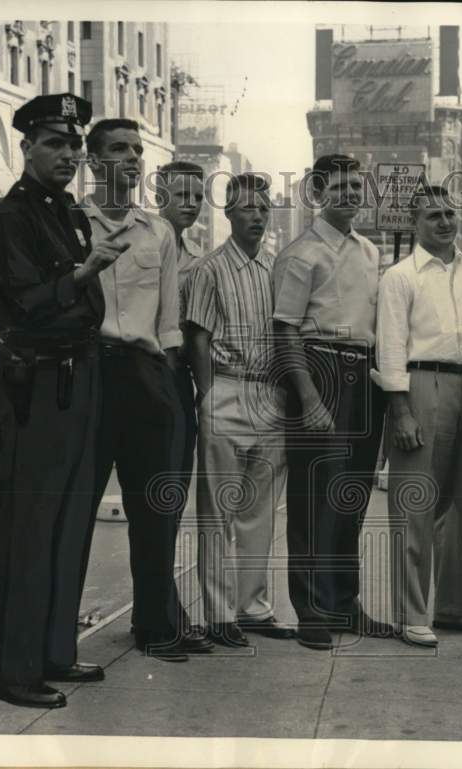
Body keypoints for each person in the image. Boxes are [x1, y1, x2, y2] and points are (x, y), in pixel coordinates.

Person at [0, 93, 117, 709]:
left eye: (74, 146)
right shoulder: (10, 220)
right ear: (26, 147)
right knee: (29, 529)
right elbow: (27, 303)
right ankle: (11, 671)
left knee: (66, 525)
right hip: (36, 386)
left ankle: (53, 652)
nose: (68, 155)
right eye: (55, 143)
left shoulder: (65, 213)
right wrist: (82, 276)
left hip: (77, 378)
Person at [81, 118, 214, 662]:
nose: (133, 158)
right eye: (119, 150)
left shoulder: (156, 233)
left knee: (156, 508)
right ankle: (52, 637)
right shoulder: (71, 224)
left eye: (138, 150)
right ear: (93, 163)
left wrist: (173, 393)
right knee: (74, 509)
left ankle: (156, 624)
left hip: (147, 373)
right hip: (86, 374)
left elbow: (168, 324)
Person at [373, 184, 462, 647]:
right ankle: (411, 613)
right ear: (415, 223)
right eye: (432, 216)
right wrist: (400, 410)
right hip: (421, 384)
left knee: (458, 504)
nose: (444, 222)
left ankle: (452, 607)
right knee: (415, 506)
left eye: (449, 213)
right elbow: (389, 347)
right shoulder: (400, 276)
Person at [272, 154, 391, 651]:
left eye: (355, 185)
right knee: (313, 499)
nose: (349, 194)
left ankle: (345, 603)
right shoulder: (302, 253)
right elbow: (284, 330)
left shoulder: (369, 251)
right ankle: (311, 610)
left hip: (362, 372)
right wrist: (308, 397)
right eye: (338, 186)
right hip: (319, 369)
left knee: (352, 497)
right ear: (318, 193)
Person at [184, 173, 296, 647]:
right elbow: (197, 338)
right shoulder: (210, 268)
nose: (257, 215)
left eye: (264, 208)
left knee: (260, 513)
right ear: (228, 213)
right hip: (227, 390)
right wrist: (208, 396)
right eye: (247, 208)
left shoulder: (276, 268)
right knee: (218, 515)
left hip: (267, 396)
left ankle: (253, 607)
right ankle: (219, 615)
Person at [156, 160, 206, 638]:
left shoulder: (195, 264)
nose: (190, 204)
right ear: (159, 195)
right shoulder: (139, 248)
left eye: (197, 196)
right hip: (135, 376)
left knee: (168, 500)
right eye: (181, 195)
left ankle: (161, 606)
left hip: (176, 387)